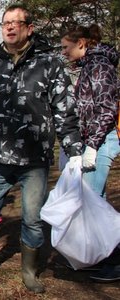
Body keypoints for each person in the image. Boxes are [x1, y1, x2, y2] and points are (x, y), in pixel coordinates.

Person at [0, 4, 83, 294]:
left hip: (34, 159)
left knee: (33, 218)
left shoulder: (49, 64)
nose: (10, 27)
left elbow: (65, 109)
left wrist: (73, 148)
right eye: (6, 23)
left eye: (16, 22)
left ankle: (29, 270)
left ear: (29, 28)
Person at [60, 24, 120, 283]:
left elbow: (106, 108)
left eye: (66, 47)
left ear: (82, 43)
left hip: (103, 140)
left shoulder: (101, 67)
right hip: (91, 141)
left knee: (94, 204)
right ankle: (101, 256)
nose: (63, 52)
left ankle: (115, 260)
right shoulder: (88, 66)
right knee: (97, 200)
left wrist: (93, 145)